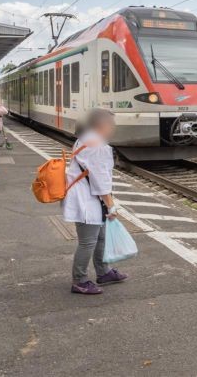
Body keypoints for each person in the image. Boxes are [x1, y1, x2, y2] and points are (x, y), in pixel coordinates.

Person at [63, 108, 128, 295]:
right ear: (102, 125)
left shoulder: (86, 138)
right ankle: (79, 280)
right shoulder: (97, 145)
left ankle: (103, 272)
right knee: (88, 242)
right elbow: (101, 180)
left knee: (100, 237)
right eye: (111, 125)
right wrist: (111, 205)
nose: (113, 129)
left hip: (89, 197)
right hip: (86, 200)